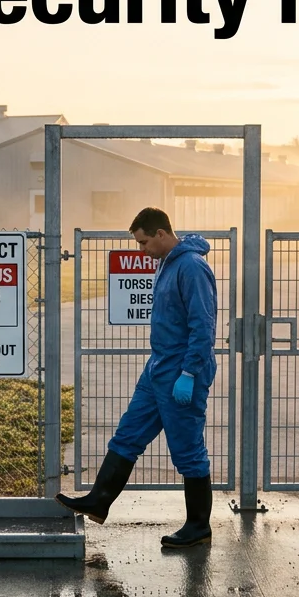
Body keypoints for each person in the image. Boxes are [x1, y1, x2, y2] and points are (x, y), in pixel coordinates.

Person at [56, 207, 217, 548]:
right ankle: (99, 501)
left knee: (188, 450)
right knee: (128, 435)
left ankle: (199, 526)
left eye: (143, 243)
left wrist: (189, 373)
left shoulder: (191, 267)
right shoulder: (167, 263)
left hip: (181, 372)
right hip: (158, 368)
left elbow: (203, 326)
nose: (140, 250)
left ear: (161, 234)